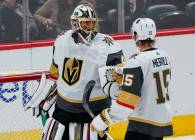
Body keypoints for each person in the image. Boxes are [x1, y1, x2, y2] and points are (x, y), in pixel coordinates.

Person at [25, 4, 124, 140]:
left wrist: (108, 115)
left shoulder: (108, 46)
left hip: (92, 111)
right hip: (63, 109)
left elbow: (121, 84)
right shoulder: (61, 40)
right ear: (75, 23)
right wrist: (45, 99)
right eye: (85, 23)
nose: (90, 28)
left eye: (92, 23)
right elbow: (55, 75)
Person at [91, 18, 173, 140]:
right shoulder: (164, 55)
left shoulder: (136, 63)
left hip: (142, 124)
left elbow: (126, 103)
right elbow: (148, 79)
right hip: (161, 121)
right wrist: (126, 71)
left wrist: (103, 120)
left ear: (135, 36)